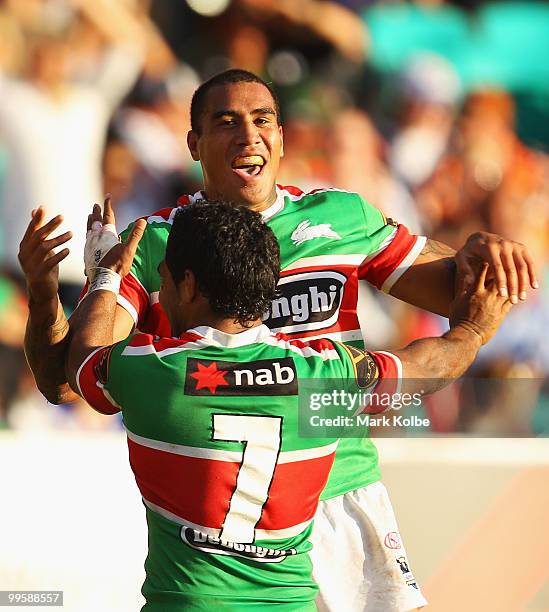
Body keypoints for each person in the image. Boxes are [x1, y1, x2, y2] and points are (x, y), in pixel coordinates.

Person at [19, 69, 537, 611]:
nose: (249, 135)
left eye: (262, 120)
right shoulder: (156, 244)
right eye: (226, 123)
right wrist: (45, 296)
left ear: (282, 137)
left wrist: (481, 250)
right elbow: (65, 380)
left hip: (342, 493)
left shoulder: (339, 218)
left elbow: (471, 291)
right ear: (193, 143)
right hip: (226, 528)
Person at [66, 199, 510, 610]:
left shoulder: (151, 370)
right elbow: (426, 366)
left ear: (187, 285)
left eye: (163, 275)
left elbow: (82, 359)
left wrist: (106, 275)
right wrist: (472, 331)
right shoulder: (325, 374)